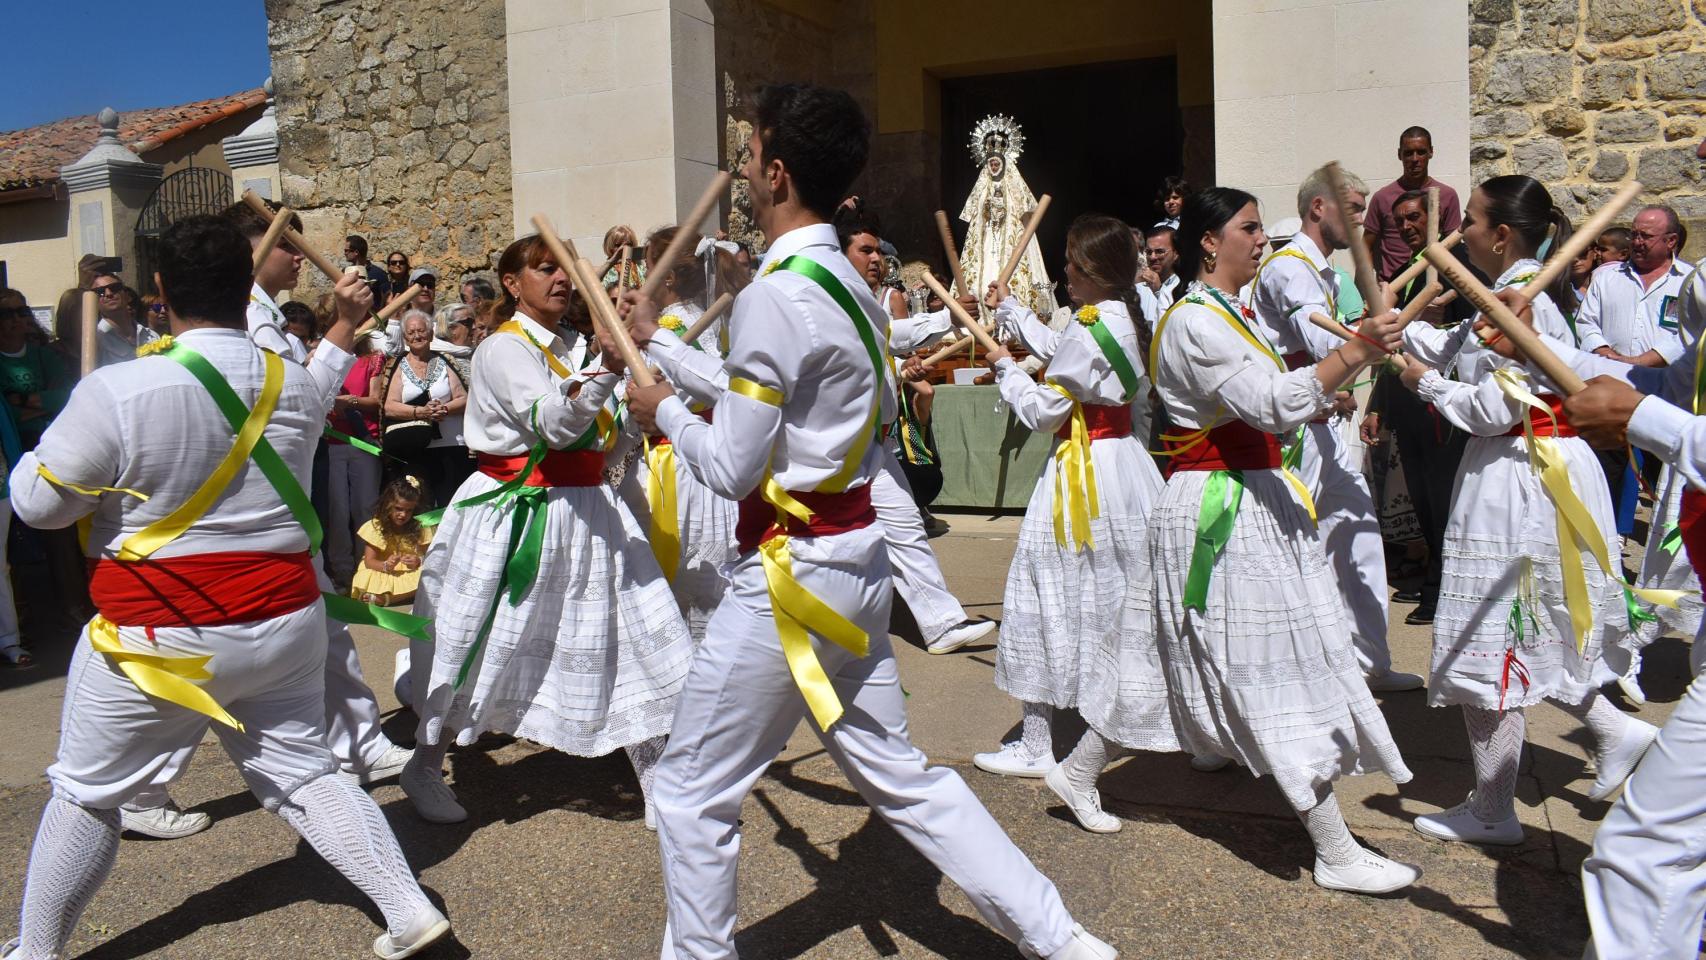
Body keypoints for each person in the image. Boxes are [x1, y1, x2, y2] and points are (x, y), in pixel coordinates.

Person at [624, 83, 1117, 960]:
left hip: (791, 573)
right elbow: (790, 406)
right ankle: (1061, 936)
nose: (739, 170)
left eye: (747, 155)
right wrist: (661, 348)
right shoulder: (842, 280)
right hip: (855, 561)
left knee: (691, 789)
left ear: (775, 172)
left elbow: (736, 464)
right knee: (903, 777)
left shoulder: (781, 294)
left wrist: (659, 411)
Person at [4, 214, 449, 960]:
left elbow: (42, 507)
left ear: (160, 291)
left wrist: (66, 434)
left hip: (160, 636)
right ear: (247, 288)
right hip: (284, 623)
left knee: (88, 790)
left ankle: (37, 951)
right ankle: (409, 909)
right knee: (307, 771)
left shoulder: (118, 388)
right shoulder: (291, 385)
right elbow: (312, 388)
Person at [1059, 186, 1419, 896]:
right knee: (1271, 664)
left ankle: (1075, 771)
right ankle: (1334, 850)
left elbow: (1276, 397)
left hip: (1248, 497)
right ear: (1208, 242)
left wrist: (1343, 365)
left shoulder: (1228, 311)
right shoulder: (1196, 321)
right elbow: (1270, 404)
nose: (1262, 240)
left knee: (1166, 651)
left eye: (1261, 228)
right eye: (1250, 229)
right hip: (1221, 506)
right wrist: (1355, 351)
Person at [1397, 174, 1658, 847]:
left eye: (1472, 221)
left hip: (1521, 474)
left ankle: (1492, 810)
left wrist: (1425, 386)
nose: (1463, 233)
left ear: (1501, 233)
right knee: (1532, 625)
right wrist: (1403, 345)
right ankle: (1614, 730)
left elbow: (1491, 407)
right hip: (1540, 470)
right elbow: (1466, 356)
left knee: (1487, 640)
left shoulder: (1523, 298)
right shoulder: (1524, 289)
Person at [401, 233, 693, 831]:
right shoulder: (504, 350)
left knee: (632, 634)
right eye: (543, 270)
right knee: (481, 641)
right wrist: (609, 373)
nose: (560, 279)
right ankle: (425, 763)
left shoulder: (572, 345)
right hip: (520, 509)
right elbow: (554, 425)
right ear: (513, 284)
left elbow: (607, 436)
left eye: (564, 270)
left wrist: (635, 395)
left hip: (590, 507)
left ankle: (658, 777)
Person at [965, 215, 1164, 780]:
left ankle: (1036, 742)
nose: (1065, 272)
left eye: (1073, 264)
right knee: (1129, 591)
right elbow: (1069, 349)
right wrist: (1012, 313)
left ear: (1095, 271)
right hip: (1126, 464)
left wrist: (1006, 370)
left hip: (1084, 471)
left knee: (1048, 587)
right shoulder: (1126, 313)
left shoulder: (1091, 324)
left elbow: (1046, 412)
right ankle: (1166, 717)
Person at [1250, 165, 1422, 692]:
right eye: (1352, 205)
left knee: (1359, 536)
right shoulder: (1289, 268)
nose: (1362, 216)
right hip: (1294, 436)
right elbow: (1323, 344)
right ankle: (1290, 675)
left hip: (1321, 428)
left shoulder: (1323, 272)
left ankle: (1367, 664)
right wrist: (1374, 332)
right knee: (1295, 551)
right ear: (1318, 208)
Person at [1361, 189, 1470, 626]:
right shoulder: (1406, 272)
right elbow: (1392, 347)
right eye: (1400, 220)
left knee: (1443, 499)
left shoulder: (1458, 269)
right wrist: (1380, 409)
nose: (1406, 227)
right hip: (1408, 400)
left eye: (1414, 219)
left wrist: (1445, 315)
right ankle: (1433, 576)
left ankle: (1439, 587)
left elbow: (1468, 339)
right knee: (1424, 500)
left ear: (1435, 219)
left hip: (1443, 404)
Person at [959, 114, 1052, 314]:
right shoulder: (982, 186)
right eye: (990, 162)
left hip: (1010, 240)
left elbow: (1023, 212)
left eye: (997, 163)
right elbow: (975, 216)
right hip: (986, 240)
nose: (993, 166)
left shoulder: (1014, 187)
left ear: (1003, 163)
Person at [381, 311, 467, 507]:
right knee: (420, 505)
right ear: (404, 337)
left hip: (451, 445)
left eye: (421, 330)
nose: (417, 336)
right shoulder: (397, 366)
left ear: (430, 334)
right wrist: (421, 412)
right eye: (411, 332)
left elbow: (464, 397)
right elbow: (389, 406)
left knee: (450, 503)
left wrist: (443, 409)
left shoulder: (445, 361)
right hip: (414, 447)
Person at [324, 331, 386, 589]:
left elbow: (375, 401)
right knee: (337, 511)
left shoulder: (373, 359)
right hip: (333, 442)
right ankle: (341, 569)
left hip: (364, 443)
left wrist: (349, 401)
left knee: (366, 507)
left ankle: (365, 567)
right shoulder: (326, 358)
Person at [1362, 127, 1463, 281]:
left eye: (1421, 152)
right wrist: (1369, 289)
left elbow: (1454, 244)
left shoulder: (1447, 195)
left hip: (1431, 283)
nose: (1415, 159)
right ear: (1399, 155)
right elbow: (1366, 246)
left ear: (1431, 152)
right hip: (1391, 287)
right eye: (1408, 153)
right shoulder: (1382, 197)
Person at [222, 200, 309, 363]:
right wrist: (346, 322)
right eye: (285, 245)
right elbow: (290, 387)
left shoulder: (256, 308)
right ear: (246, 249)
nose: (300, 255)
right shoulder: (253, 315)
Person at [351, 476, 433, 607]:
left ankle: (386, 599)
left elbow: (430, 558)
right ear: (388, 505)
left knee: (428, 575)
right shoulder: (377, 526)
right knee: (364, 576)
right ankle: (400, 596)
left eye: (409, 510)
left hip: (410, 573)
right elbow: (369, 561)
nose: (403, 515)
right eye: (399, 509)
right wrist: (385, 565)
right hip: (381, 569)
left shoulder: (420, 526)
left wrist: (417, 561)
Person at [89, 274, 159, 367]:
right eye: (100, 291)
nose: (109, 294)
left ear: (127, 295)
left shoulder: (151, 336)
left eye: (114, 288)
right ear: (93, 301)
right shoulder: (95, 340)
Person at [346, 234, 390, 305]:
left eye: (346, 250)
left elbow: (387, 298)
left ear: (356, 252)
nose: (345, 253)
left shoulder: (379, 273)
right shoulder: (345, 272)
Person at [1144, 225, 1180, 310]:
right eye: (1149, 252)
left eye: (1159, 252)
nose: (1152, 257)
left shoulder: (1184, 287)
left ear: (1176, 253)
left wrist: (1158, 292)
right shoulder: (1139, 288)